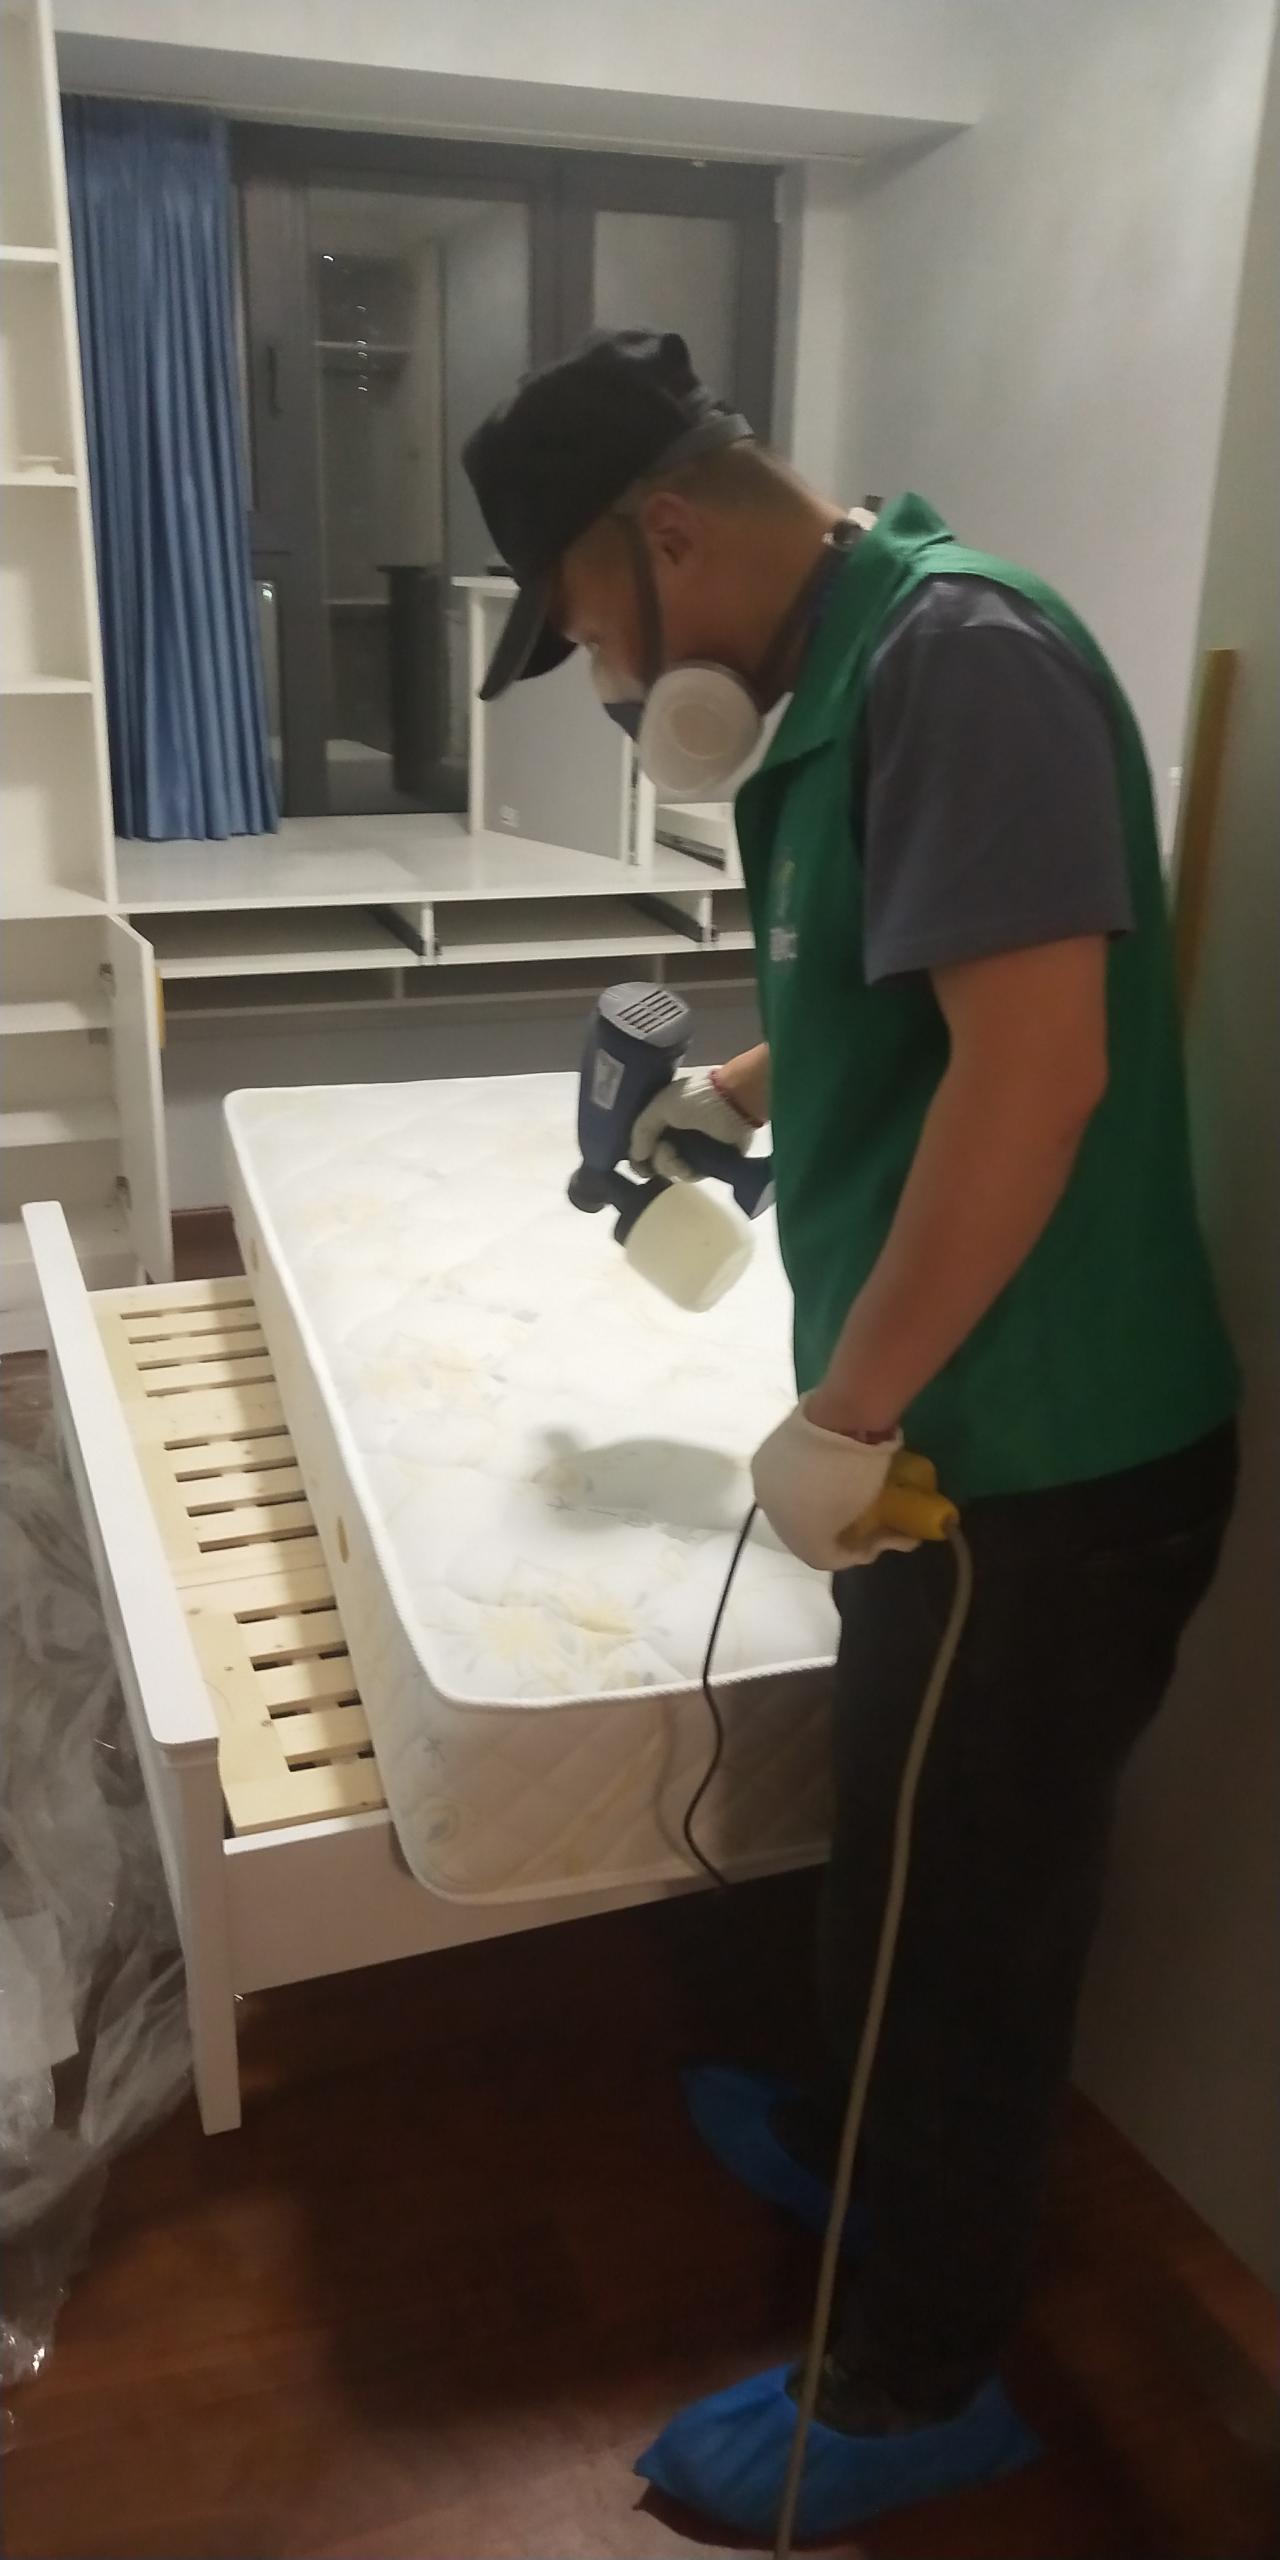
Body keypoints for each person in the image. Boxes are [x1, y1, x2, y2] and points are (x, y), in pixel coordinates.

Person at [463, 330, 1239, 2537]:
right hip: (948, 1460)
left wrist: (841, 1409)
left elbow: (1035, 1072)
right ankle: (848, 2132)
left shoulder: (957, 662)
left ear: (668, 532)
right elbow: (901, 994)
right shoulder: (848, 688)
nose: (617, 681)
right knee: (900, 1866)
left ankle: (917, 2385)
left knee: (970, 1931)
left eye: (596, 628)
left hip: (1038, 1464)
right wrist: (732, 1092)